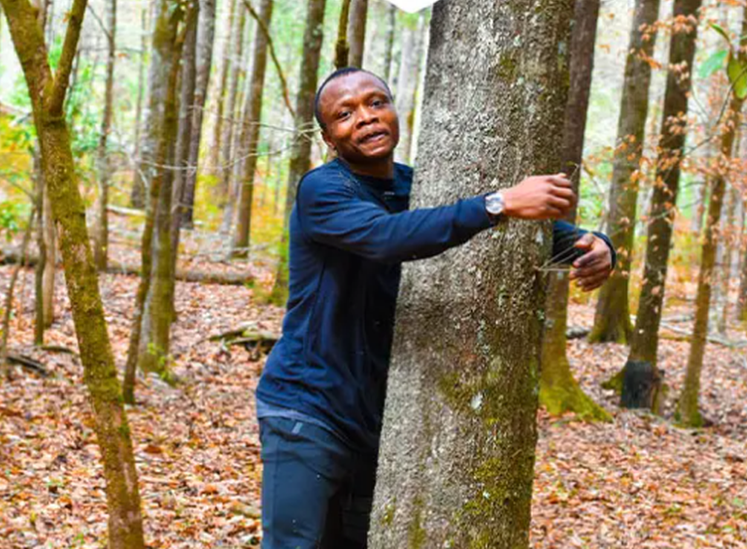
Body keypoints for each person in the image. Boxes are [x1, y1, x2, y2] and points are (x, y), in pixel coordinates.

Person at [255, 67, 615, 549]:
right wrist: (498, 203)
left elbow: (518, 232)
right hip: (307, 412)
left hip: (375, 422)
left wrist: (597, 247)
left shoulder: (417, 185)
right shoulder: (324, 190)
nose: (364, 118)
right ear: (328, 137)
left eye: (375, 102)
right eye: (345, 114)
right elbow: (389, 237)